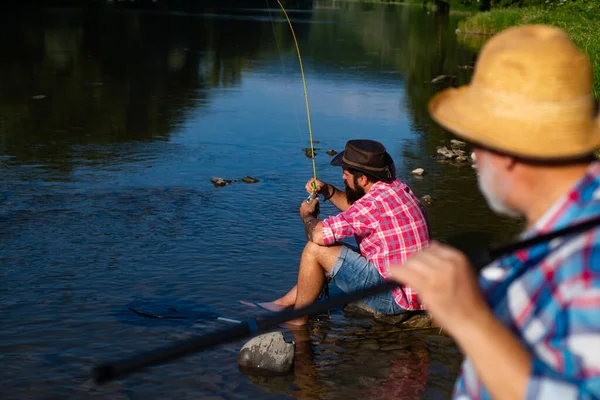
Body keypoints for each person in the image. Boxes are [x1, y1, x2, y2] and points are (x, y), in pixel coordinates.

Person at [390, 25, 600, 399]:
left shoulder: (589, 257)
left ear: (507, 149)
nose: (475, 156)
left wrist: (469, 319)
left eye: (478, 138)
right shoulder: (570, 221)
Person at [249, 139, 430, 326]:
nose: (343, 178)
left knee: (316, 249)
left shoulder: (372, 204)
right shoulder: (396, 188)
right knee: (329, 248)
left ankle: (297, 320)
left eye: (345, 173)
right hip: (415, 291)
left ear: (362, 179)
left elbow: (319, 234)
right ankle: (284, 303)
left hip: (396, 299)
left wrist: (307, 215)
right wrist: (328, 190)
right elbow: (357, 210)